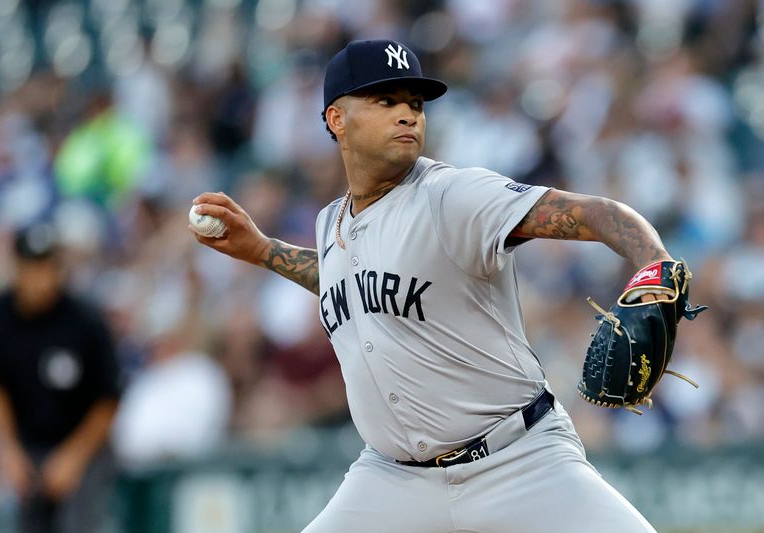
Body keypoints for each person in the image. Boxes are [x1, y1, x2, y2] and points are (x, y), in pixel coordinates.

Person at [191, 39, 674, 532]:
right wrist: (264, 251)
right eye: (386, 101)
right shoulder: (330, 222)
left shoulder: (453, 196)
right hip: (391, 483)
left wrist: (654, 270)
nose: (407, 115)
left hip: (519, 462)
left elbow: (600, 214)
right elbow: (354, 281)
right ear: (336, 119)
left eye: (415, 104)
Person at [0, 222, 120, 533]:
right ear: (18, 268)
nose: (42, 279)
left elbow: (109, 398)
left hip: (82, 448)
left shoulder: (85, 320)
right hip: (27, 447)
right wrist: (8, 450)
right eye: (33, 268)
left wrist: (72, 458)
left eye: (49, 267)